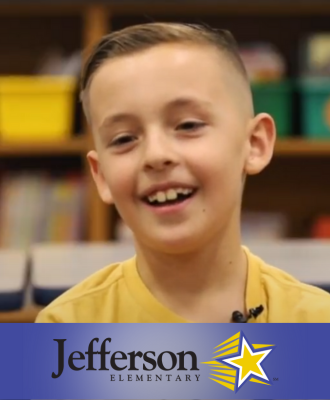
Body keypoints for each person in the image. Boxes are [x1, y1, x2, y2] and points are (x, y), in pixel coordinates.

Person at [36, 22, 330, 323]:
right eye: (124, 139)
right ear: (101, 176)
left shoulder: (315, 321)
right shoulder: (65, 328)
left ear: (254, 143)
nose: (156, 155)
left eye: (188, 125)